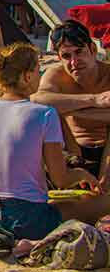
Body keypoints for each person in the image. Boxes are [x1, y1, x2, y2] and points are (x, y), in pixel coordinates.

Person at [0, 42, 109, 243]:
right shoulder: (44, 113)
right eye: (37, 71)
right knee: (102, 202)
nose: (41, 76)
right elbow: (61, 179)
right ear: (27, 76)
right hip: (27, 220)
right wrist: (83, 174)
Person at [32, 21, 110, 185]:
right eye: (67, 56)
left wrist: (68, 108)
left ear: (93, 50)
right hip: (72, 152)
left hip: (106, 152)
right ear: (59, 58)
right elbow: (37, 100)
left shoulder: (107, 74)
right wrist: (94, 100)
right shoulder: (57, 75)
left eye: (79, 52)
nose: (74, 62)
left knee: (55, 110)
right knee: (47, 115)